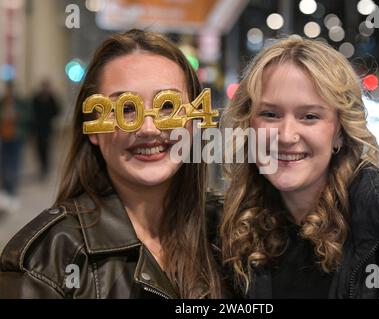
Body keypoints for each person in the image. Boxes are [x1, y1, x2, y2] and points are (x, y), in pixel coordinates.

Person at [220, 36, 379, 298]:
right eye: (270, 114)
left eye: (310, 117)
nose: (286, 136)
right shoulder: (231, 233)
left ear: (340, 131)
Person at [0, 29, 223, 298]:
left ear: (194, 120)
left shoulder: (230, 235)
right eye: (126, 109)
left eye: (167, 106)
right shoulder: (47, 261)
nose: (149, 128)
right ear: (93, 129)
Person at [0, 81, 31, 212]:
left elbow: (28, 117)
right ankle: (6, 191)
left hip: (17, 136)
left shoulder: (20, 103)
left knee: (14, 165)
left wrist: (17, 116)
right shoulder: (2, 102)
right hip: (4, 137)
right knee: (4, 165)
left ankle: (12, 192)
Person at [31, 79, 60, 180]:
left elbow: (57, 110)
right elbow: (32, 112)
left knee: (47, 148)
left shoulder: (51, 98)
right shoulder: (36, 98)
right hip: (38, 129)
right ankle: (42, 166)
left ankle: (46, 167)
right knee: (39, 149)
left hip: (47, 128)